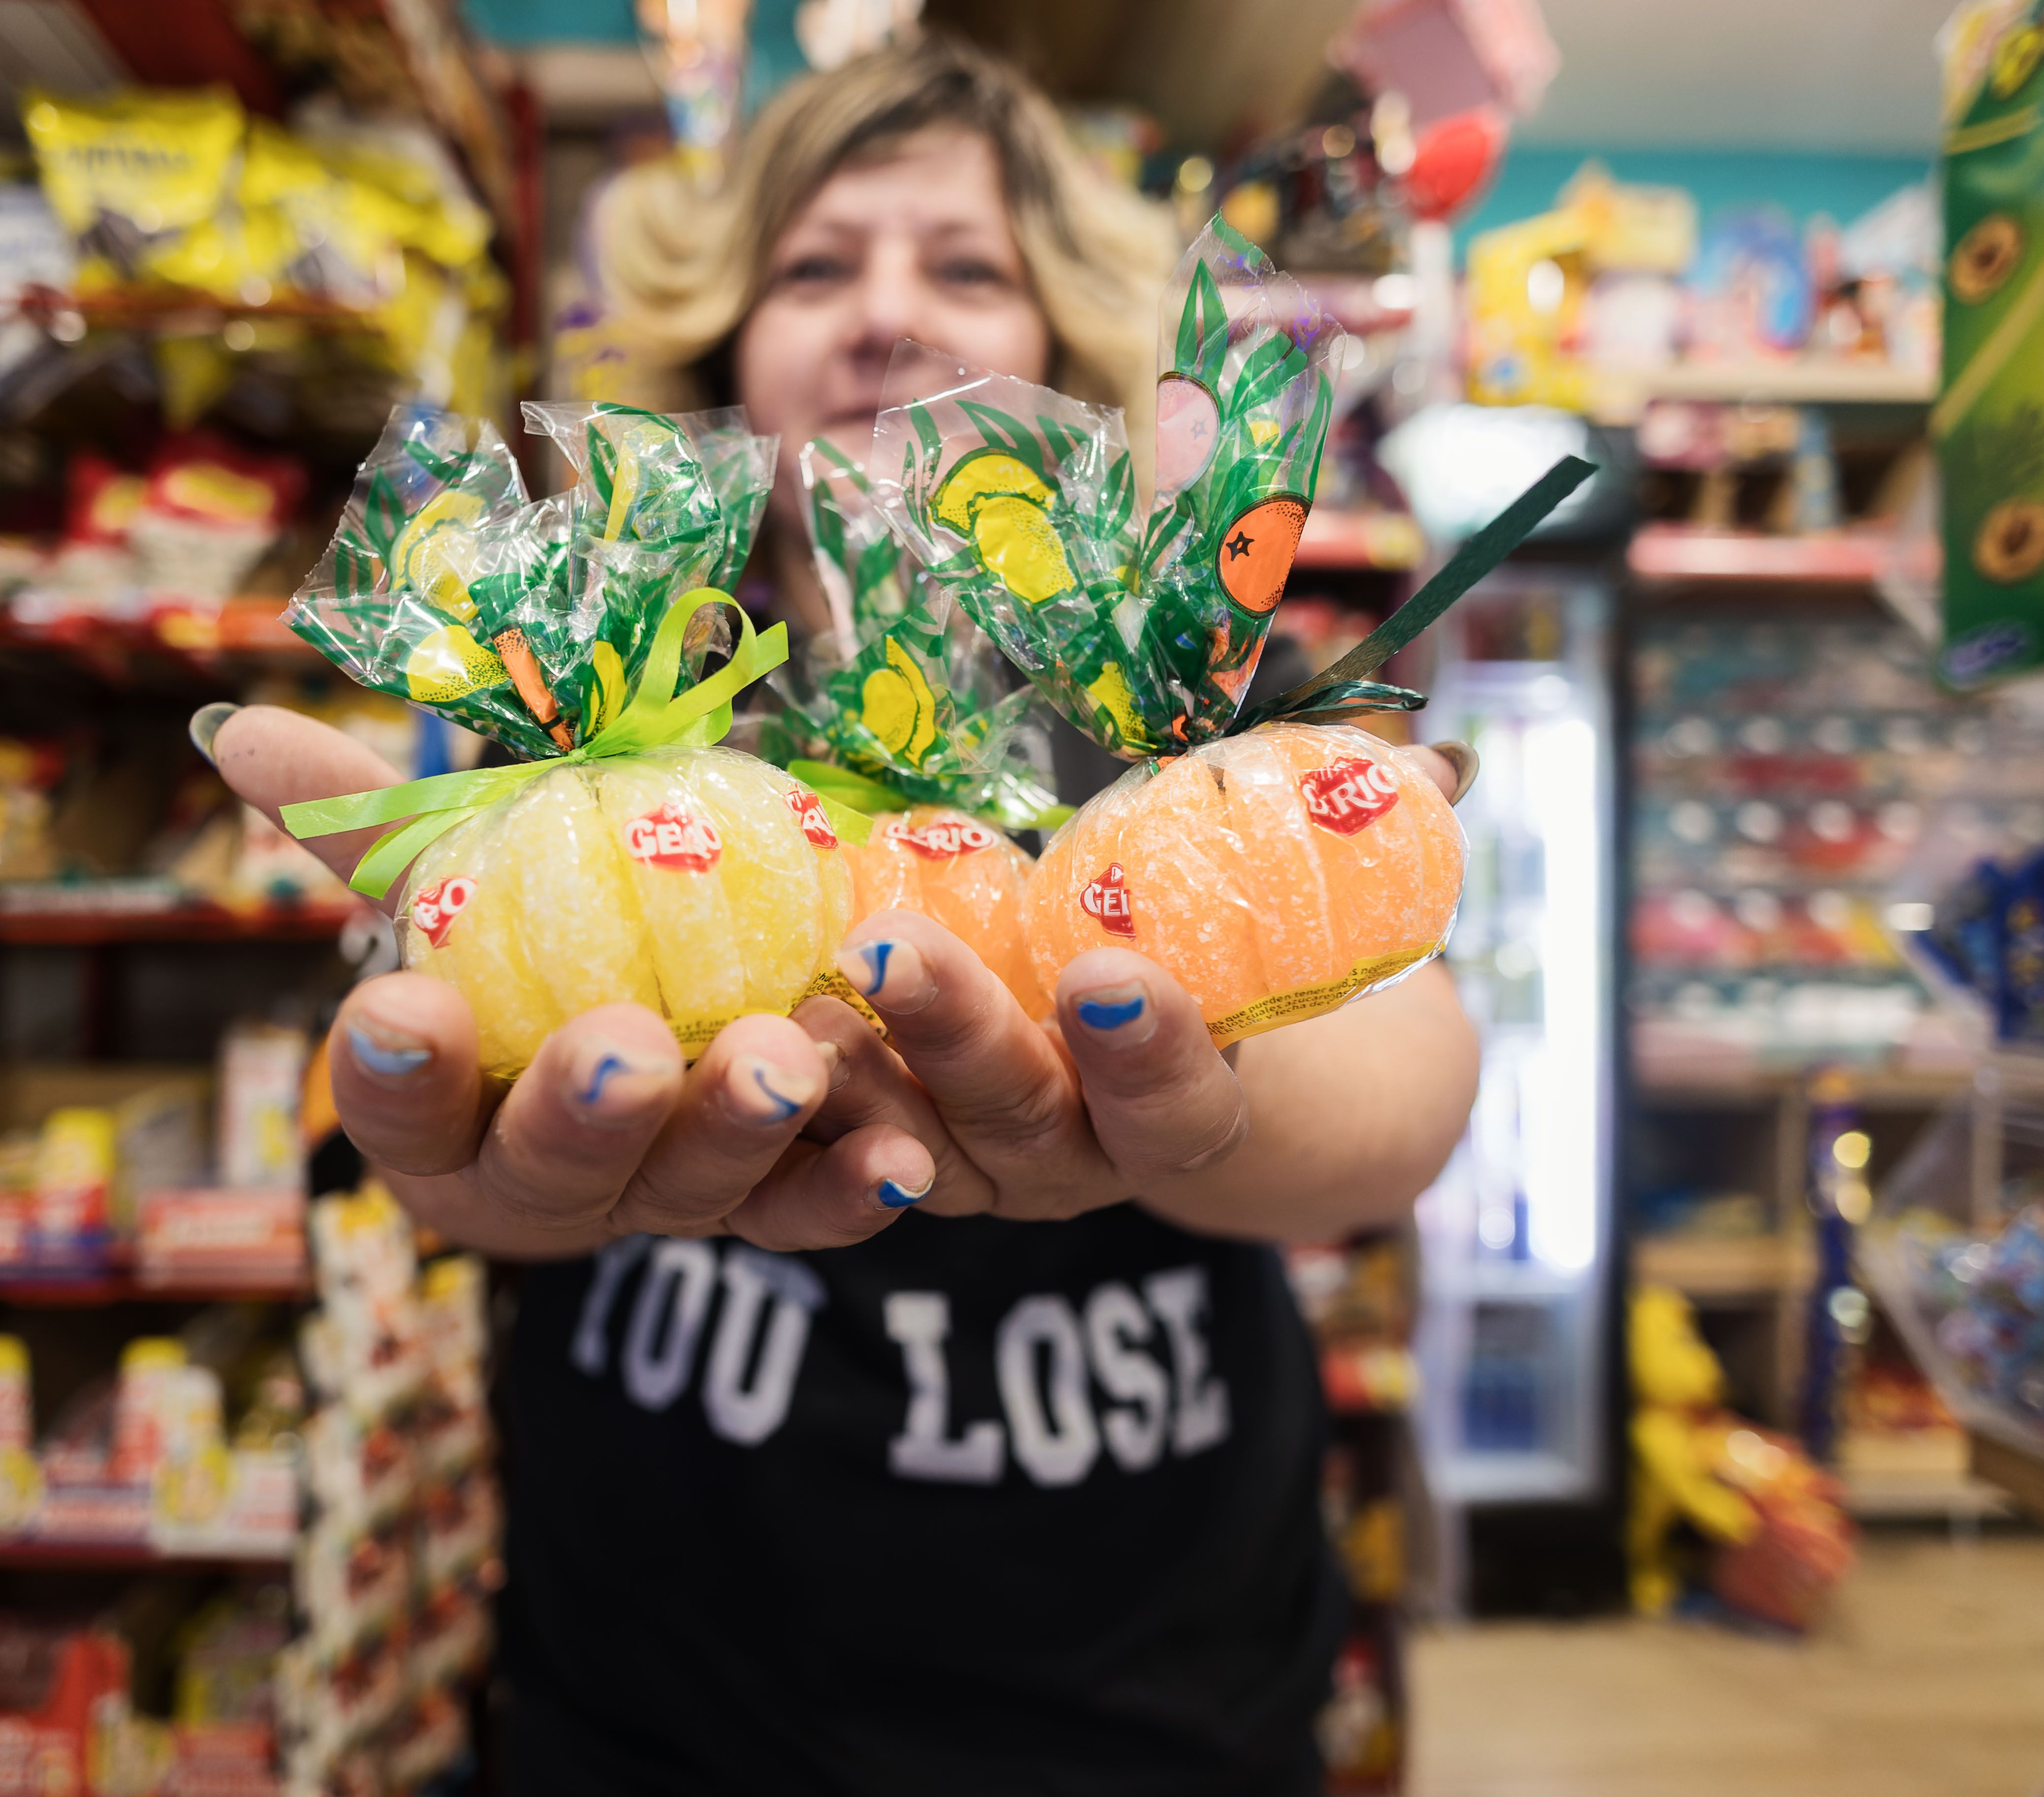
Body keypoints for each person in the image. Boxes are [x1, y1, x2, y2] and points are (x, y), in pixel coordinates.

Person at [196, 36, 1480, 1795]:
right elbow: (460, 1116)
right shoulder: (573, 725)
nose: (886, 318)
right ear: (722, 342)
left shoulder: (1163, 709)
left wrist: (1199, 1106)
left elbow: (1411, 1076)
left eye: (964, 267)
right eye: (816, 266)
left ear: (1070, 364)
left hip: (1151, 1706)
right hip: (656, 1711)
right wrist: (483, 1177)